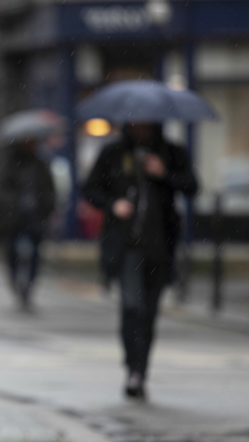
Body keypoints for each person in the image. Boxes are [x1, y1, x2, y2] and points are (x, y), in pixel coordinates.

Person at [82, 122, 198, 399]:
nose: (141, 127)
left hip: (160, 247)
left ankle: (140, 370)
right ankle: (133, 367)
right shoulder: (113, 153)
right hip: (126, 247)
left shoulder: (172, 153)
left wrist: (164, 173)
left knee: (149, 313)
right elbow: (90, 189)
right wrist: (113, 205)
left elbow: (192, 186)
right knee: (132, 307)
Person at [0, 139, 57, 308]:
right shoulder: (11, 164)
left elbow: (49, 190)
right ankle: (17, 281)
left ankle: (28, 286)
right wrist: (11, 206)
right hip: (15, 218)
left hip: (35, 218)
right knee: (14, 252)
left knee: (35, 254)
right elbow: (3, 190)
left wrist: (47, 208)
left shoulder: (41, 165)